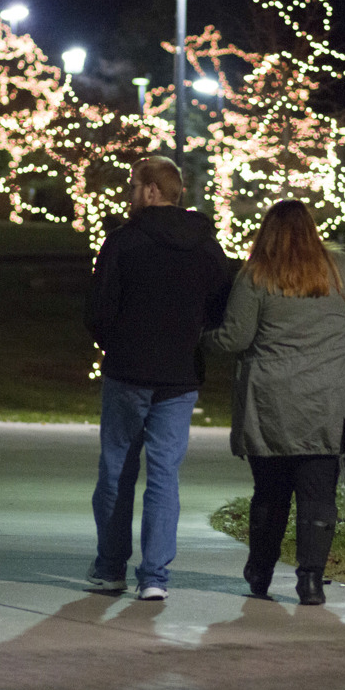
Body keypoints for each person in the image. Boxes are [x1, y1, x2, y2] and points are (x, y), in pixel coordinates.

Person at [203, 200, 345, 606]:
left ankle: (260, 570)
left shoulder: (255, 277)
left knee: (270, 492)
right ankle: (311, 579)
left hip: (274, 404)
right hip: (330, 401)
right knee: (319, 493)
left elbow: (236, 337)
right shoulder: (340, 268)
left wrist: (201, 340)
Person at [84, 156, 231, 601]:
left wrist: (116, 342)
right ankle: (155, 576)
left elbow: (98, 309)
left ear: (150, 190)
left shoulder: (124, 242)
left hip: (129, 371)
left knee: (117, 471)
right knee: (165, 474)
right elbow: (221, 306)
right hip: (179, 375)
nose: (130, 193)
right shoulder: (206, 247)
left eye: (133, 184)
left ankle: (111, 567)